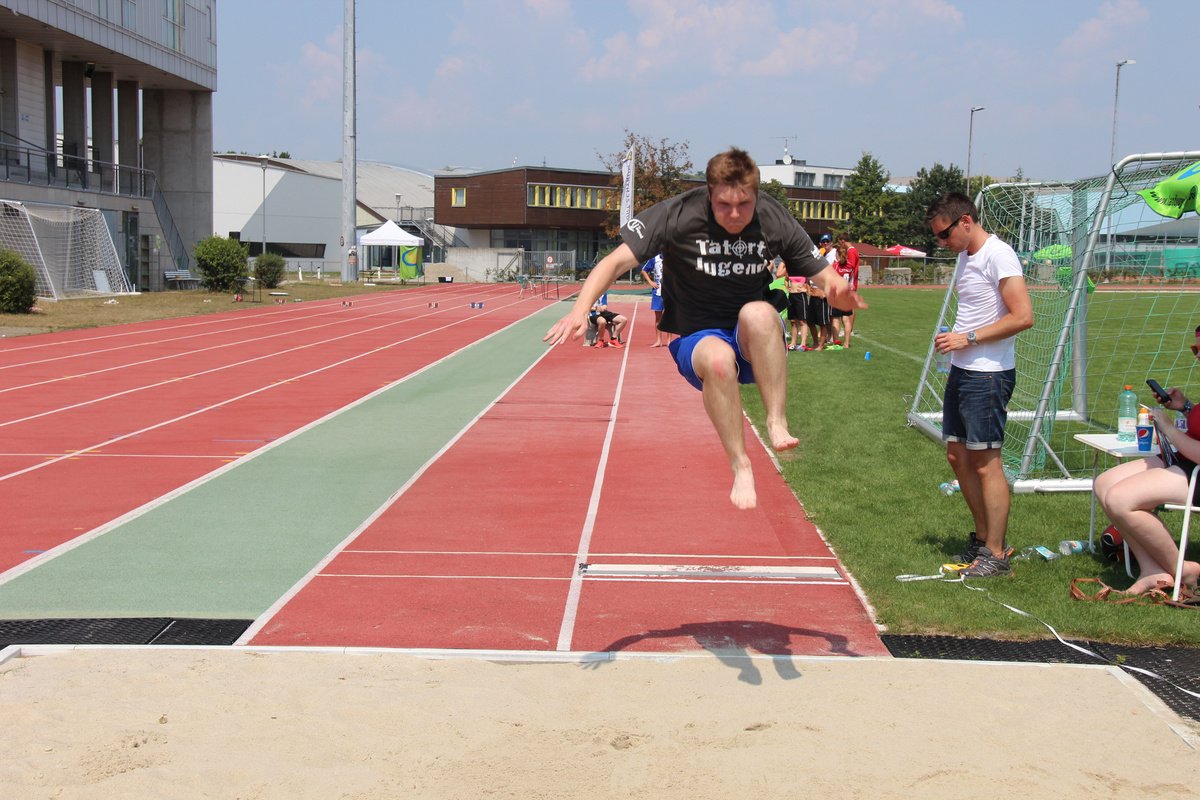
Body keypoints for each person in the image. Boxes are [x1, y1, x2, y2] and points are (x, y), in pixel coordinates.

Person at [544, 147, 866, 509]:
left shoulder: (772, 217)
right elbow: (615, 262)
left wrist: (838, 289)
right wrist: (580, 310)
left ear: (756, 195)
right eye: (724, 205)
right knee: (717, 360)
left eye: (744, 204)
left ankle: (776, 421)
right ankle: (740, 464)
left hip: (752, 336)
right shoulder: (676, 214)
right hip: (699, 335)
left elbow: (821, 273)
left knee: (759, 314)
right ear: (709, 194)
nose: (735, 214)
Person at [927, 191, 1033, 577]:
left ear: (966, 222)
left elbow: (1023, 316)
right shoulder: (965, 257)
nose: (942, 243)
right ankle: (984, 538)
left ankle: (997, 554)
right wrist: (955, 341)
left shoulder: (998, 254)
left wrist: (967, 338)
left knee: (987, 463)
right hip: (962, 369)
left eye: (945, 234)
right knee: (958, 456)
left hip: (989, 373)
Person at [1093, 328, 1200, 596]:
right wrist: (1185, 407)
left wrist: (1169, 429)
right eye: (1195, 349)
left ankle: (1183, 570)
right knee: (1104, 484)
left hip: (1196, 468)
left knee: (1121, 499)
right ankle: (1152, 570)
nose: (1197, 355)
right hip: (1184, 459)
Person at [832, 234, 860, 348]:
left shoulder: (836, 265)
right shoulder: (849, 265)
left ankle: (836, 341)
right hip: (848, 289)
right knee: (846, 318)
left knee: (836, 318)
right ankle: (847, 343)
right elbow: (852, 272)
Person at [640, 253, 671, 347]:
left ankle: (669, 341)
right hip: (658, 291)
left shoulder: (673, 257)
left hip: (670, 291)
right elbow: (644, 270)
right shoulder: (655, 258)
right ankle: (658, 340)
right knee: (658, 317)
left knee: (669, 316)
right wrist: (650, 282)